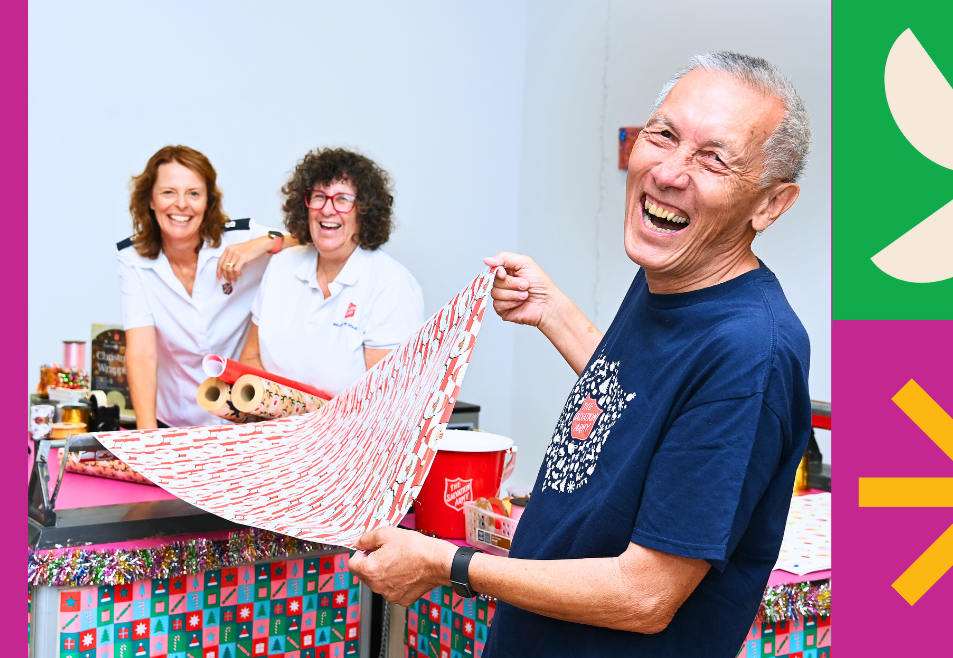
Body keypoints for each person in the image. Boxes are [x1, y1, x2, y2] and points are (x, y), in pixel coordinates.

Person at [348, 52, 814, 657]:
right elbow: (644, 402)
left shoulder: (752, 352)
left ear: (770, 205)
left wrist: (448, 563)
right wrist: (552, 311)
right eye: (663, 136)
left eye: (713, 158)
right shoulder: (669, 274)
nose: (670, 172)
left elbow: (643, 596)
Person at [119, 145, 295, 429]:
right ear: (150, 200)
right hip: (173, 423)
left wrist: (265, 243)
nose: (181, 204)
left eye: (193, 193)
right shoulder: (133, 260)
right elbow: (142, 352)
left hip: (242, 422)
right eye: (168, 192)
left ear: (207, 201)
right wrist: (147, 437)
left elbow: (315, 240)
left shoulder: (241, 237)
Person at [237, 147, 423, 396]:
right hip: (277, 429)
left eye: (343, 199)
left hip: (352, 433)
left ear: (365, 211)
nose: (327, 209)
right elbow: (250, 357)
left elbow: (388, 400)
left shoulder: (391, 285)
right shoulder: (281, 265)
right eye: (319, 196)